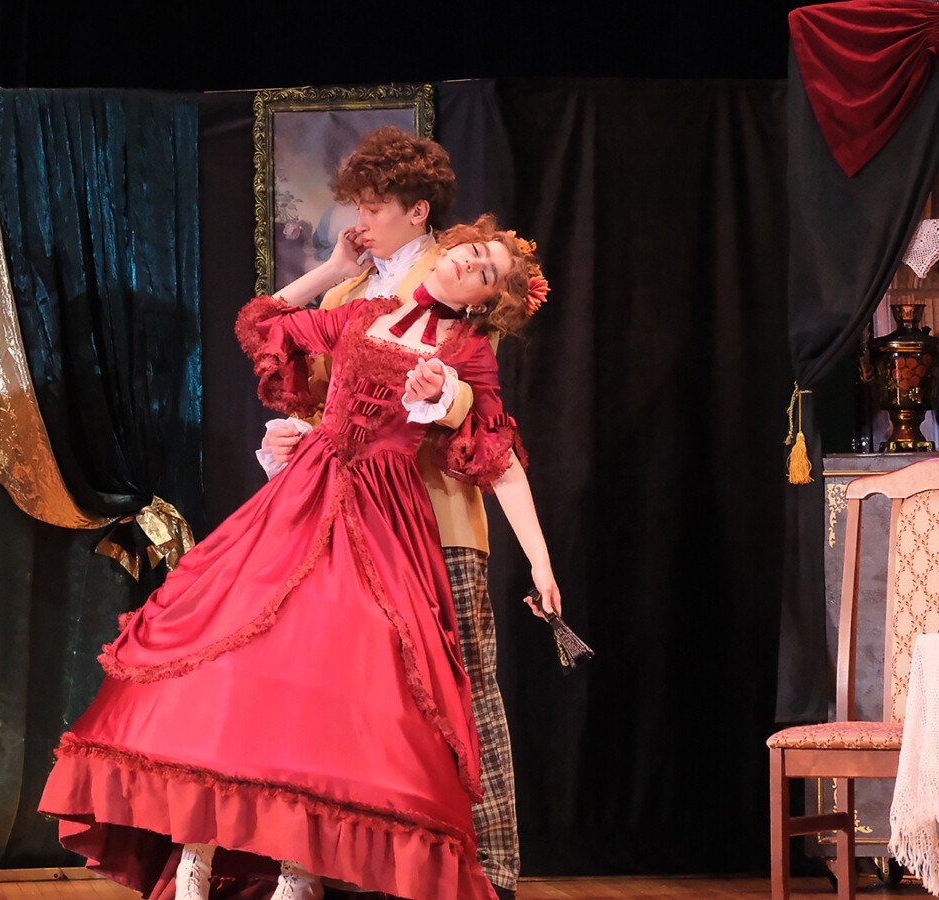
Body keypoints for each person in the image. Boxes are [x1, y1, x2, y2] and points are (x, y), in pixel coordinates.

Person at [39, 215, 557, 900]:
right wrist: (334, 270)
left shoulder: (468, 352)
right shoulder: (363, 311)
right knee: (235, 659)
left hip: (383, 516)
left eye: (485, 271)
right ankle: (196, 852)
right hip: (305, 494)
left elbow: (499, 458)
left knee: (337, 683)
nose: (467, 263)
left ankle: (298, 867)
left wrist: (541, 563)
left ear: (484, 302)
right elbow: (262, 324)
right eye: (471, 250)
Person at [263, 127, 547, 900]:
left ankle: (490, 868)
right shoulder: (345, 294)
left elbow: (477, 401)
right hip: (352, 521)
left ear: (416, 212)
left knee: (464, 685)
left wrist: (441, 395)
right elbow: (321, 394)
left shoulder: (455, 275)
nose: (358, 219)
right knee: (355, 692)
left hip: (437, 521)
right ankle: (365, 865)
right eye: (355, 203)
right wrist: (288, 439)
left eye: (373, 206)